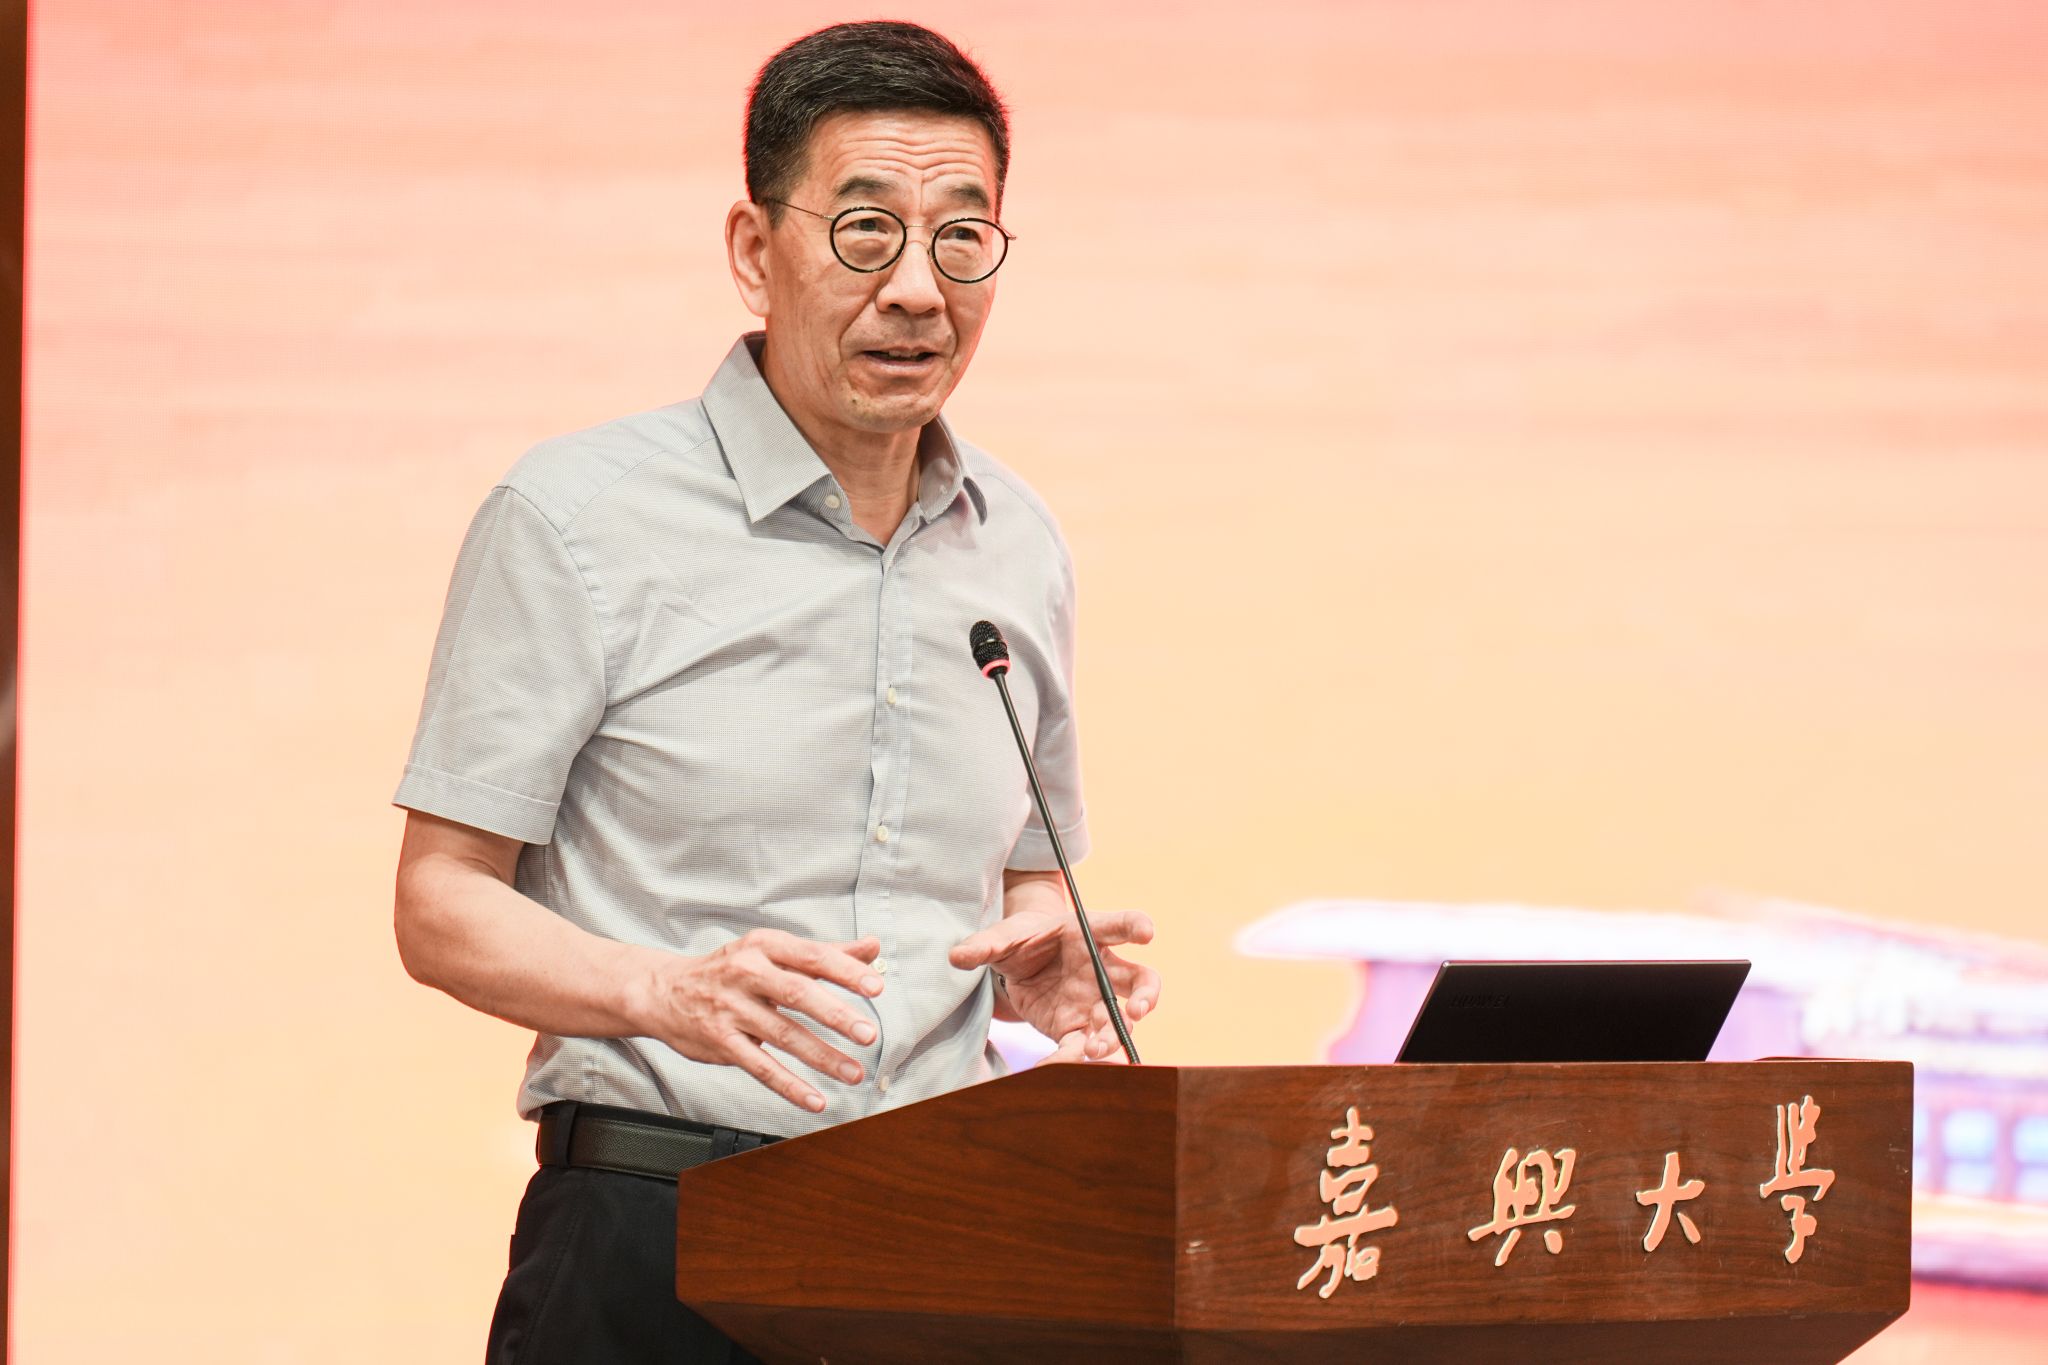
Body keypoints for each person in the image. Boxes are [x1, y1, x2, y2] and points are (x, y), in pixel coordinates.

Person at [390, 20, 1161, 1363]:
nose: (916, 289)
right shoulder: (578, 518)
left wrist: (1040, 964)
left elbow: (1029, 878)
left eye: (962, 238)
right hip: (652, 1231)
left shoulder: (1017, 544)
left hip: (942, 1233)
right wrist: (662, 993)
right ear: (755, 251)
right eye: (865, 232)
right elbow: (439, 902)